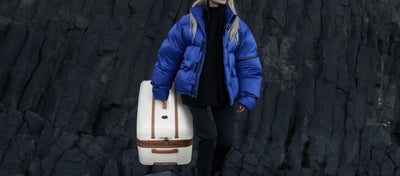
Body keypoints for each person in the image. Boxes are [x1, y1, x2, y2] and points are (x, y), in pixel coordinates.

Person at [150, 0, 262, 175]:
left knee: (226, 141)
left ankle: (213, 171)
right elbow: (168, 56)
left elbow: (248, 62)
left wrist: (247, 95)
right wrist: (160, 87)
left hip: (222, 91)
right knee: (208, 137)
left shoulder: (238, 27)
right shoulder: (188, 23)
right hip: (194, 89)